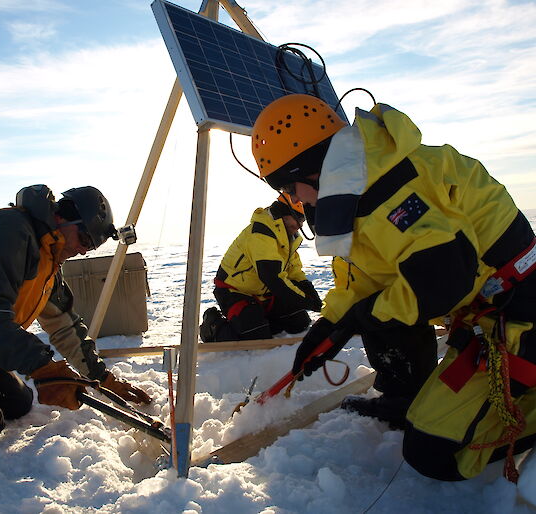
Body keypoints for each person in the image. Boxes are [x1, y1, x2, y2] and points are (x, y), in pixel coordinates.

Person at [250, 93, 536, 481]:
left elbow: (444, 280)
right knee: (376, 313)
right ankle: (407, 395)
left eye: (289, 189)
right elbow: (367, 279)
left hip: (519, 317)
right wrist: (330, 326)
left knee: (433, 452)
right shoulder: (361, 182)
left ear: (311, 172)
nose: (293, 201)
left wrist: (368, 315)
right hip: (488, 311)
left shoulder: (393, 191)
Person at [0, 184, 151, 452]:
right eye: (85, 240)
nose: (84, 251)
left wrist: (103, 379)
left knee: (18, 403)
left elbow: (65, 326)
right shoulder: (8, 231)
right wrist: (42, 366)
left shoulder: (48, 259)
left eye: (91, 247)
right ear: (62, 219)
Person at [199, 194, 322, 342]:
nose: (300, 224)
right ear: (282, 213)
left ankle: (258, 319)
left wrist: (310, 292)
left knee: (299, 323)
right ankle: (213, 326)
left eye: (303, 220)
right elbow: (272, 278)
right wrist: (306, 301)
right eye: (297, 217)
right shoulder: (261, 233)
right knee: (255, 335)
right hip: (234, 291)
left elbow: (294, 272)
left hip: (264, 294)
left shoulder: (288, 237)